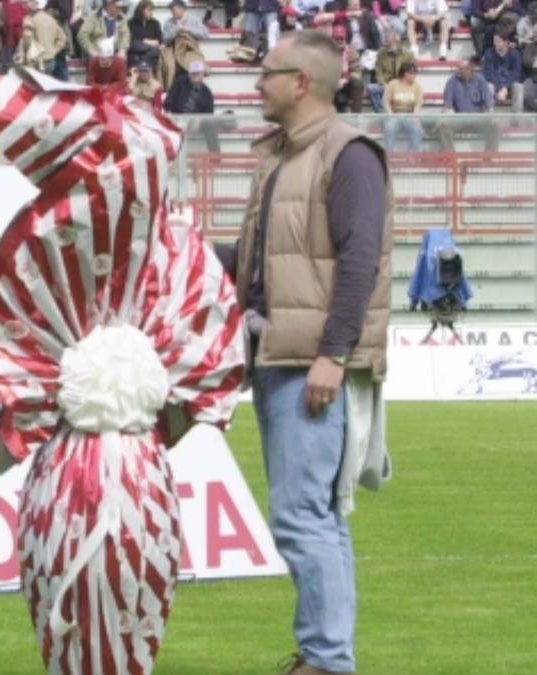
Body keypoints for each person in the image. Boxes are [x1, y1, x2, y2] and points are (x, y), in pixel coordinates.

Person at [217, 29, 392, 675]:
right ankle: (326, 655)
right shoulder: (280, 158)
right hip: (278, 354)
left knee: (300, 516)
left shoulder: (348, 155)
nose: (255, 84)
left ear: (301, 83)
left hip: (309, 363)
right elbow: (262, 268)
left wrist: (332, 354)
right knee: (317, 515)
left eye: (266, 73)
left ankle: (326, 661)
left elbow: (360, 264)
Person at [437, 58, 499, 150]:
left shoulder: (480, 79)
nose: (458, 71)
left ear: (469, 69)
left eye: (461, 69)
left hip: (478, 118)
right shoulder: (452, 81)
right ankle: (451, 159)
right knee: (443, 127)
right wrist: (445, 116)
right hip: (459, 118)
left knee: (496, 126)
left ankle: (489, 158)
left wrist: (492, 115)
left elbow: (489, 101)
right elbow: (447, 105)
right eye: (458, 68)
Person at [163, 60, 222, 151]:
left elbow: (209, 114)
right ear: (189, 74)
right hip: (177, 117)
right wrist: (172, 118)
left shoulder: (207, 93)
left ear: (202, 74)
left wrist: (198, 120)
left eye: (197, 73)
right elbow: (168, 102)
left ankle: (215, 157)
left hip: (193, 120)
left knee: (210, 125)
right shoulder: (180, 82)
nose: (195, 76)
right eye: (192, 73)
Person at [366, 26, 413, 111]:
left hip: (401, 85)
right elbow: (378, 71)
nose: (386, 40)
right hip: (386, 85)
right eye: (385, 37)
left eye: (388, 38)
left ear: (396, 40)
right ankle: (381, 114)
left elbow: (410, 73)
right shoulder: (381, 53)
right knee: (371, 88)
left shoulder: (408, 55)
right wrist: (383, 83)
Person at [14, 0, 65, 76]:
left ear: (35, 3)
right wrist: (54, 51)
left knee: (35, 86)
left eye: (26, 3)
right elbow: (62, 38)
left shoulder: (28, 19)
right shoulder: (50, 18)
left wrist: (24, 54)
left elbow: (27, 36)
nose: (23, 6)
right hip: (50, 60)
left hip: (35, 62)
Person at [381, 60, 424, 151]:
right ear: (405, 74)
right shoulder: (393, 84)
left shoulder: (417, 86)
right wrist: (390, 114)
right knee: (389, 128)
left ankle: (413, 157)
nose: (415, 75)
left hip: (410, 116)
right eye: (413, 73)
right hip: (395, 115)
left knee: (417, 129)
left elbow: (418, 103)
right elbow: (386, 101)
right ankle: (388, 156)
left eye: (416, 73)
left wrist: (415, 116)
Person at [480, 32, 523, 110]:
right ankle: (488, 116)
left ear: (506, 42)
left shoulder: (515, 54)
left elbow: (516, 73)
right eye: (494, 41)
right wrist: (500, 87)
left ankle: (517, 116)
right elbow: (489, 73)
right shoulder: (489, 53)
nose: (495, 44)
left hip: (509, 84)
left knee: (519, 87)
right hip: (494, 83)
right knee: (489, 87)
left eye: (498, 41)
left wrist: (505, 87)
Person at [127, 0, 161, 72]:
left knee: (155, 51)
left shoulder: (155, 23)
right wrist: (147, 42)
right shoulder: (131, 23)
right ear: (141, 10)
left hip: (150, 53)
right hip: (136, 51)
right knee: (136, 46)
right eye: (149, 10)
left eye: (152, 10)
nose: (151, 12)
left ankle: (141, 67)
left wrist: (143, 41)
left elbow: (159, 40)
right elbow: (132, 41)